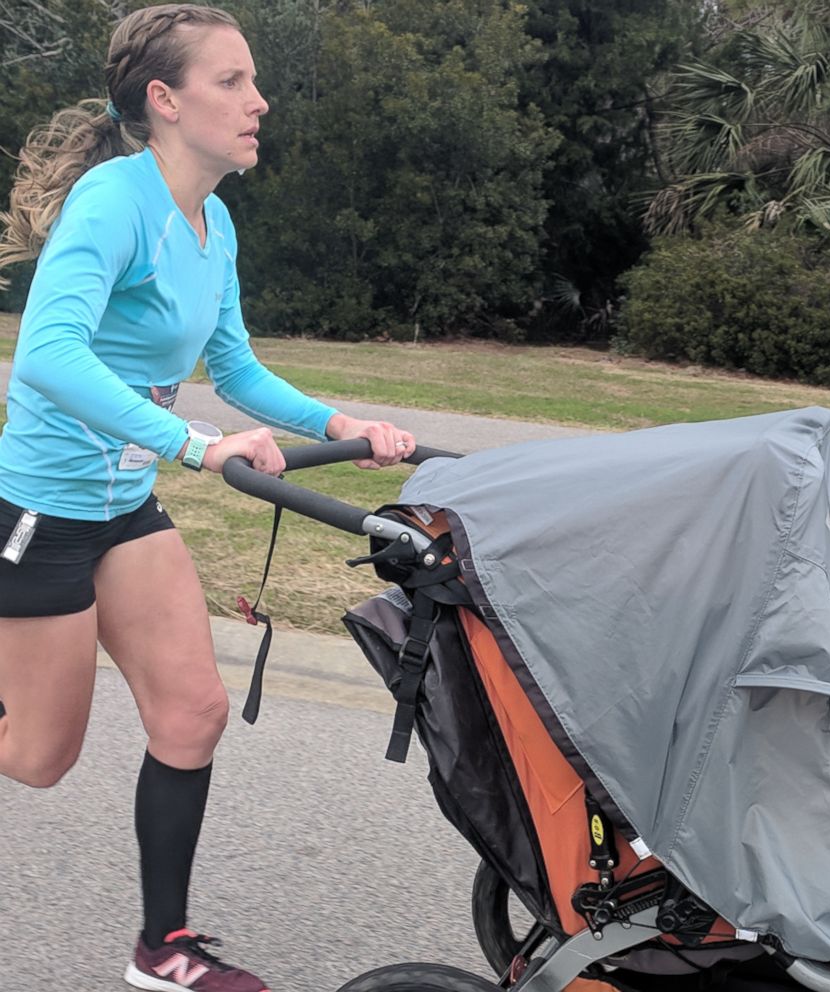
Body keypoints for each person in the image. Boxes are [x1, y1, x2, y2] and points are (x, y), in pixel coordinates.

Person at [0, 5, 415, 990]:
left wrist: (340, 426)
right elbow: (48, 353)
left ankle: (163, 949)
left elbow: (232, 366)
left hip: (124, 508)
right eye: (231, 80)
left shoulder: (211, 221)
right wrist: (193, 444)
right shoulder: (115, 201)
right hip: (43, 511)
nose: (256, 100)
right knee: (38, 756)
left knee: (191, 711)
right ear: (166, 100)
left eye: (253, 80)